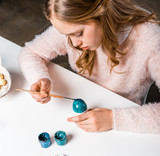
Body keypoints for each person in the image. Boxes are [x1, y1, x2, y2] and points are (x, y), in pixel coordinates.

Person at [19, 0, 160, 134]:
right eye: (67, 36)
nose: (74, 43)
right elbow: (31, 52)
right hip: (85, 105)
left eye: (79, 34)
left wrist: (114, 119)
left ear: (101, 13)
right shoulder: (69, 25)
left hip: (124, 114)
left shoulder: (149, 37)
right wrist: (39, 77)